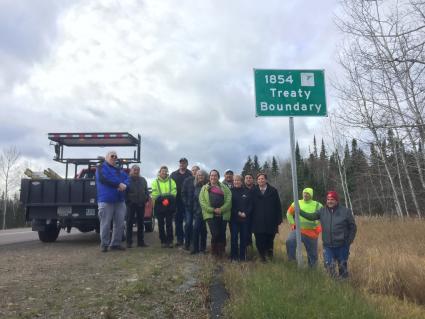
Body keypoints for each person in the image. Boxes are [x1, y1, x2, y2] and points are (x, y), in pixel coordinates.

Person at [299, 191, 357, 278]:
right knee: (329, 266)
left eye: (332, 199)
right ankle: (333, 285)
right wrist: (299, 211)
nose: (330, 201)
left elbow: (353, 227)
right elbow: (311, 216)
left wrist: (349, 241)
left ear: (336, 200)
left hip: (342, 246)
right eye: (328, 199)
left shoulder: (345, 211)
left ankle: (343, 286)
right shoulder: (322, 211)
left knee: (342, 268)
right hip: (328, 246)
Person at [96, 151, 129, 252]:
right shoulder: (101, 167)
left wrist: (125, 185)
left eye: (116, 156)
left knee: (120, 223)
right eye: (112, 156)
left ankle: (115, 244)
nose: (114, 157)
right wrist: (119, 184)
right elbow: (104, 179)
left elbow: (127, 179)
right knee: (105, 223)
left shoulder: (120, 170)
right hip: (106, 200)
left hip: (120, 200)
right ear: (106, 158)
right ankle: (104, 244)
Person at [285, 187, 322, 267]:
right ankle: (292, 262)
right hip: (298, 230)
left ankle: (313, 271)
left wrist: (320, 227)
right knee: (289, 241)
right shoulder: (296, 203)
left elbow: (324, 216)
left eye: (307, 193)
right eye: (304, 193)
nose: (305, 195)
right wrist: (292, 224)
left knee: (313, 254)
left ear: (311, 195)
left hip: (312, 233)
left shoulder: (317, 205)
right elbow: (289, 214)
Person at [199, 169, 231, 258]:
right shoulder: (204, 188)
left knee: (222, 233)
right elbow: (202, 202)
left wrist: (221, 209)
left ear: (218, 177)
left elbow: (229, 199)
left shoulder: (225, 188)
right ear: (209, 177)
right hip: (210, 215)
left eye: (215, 175)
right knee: (215, 233)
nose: (213, 177)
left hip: (223, 214)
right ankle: (214, 252)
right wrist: (213, 210)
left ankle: (221, 251)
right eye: (211, 175)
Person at [251, 173, 282, 262]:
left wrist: (279, 219)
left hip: (271, 221)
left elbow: (278, 205)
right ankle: (262, 257)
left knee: (269, 240)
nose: (261, 180)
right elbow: (250, 205)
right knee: (259, 240)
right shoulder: (253, 191)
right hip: (258, 221)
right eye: (259, 179)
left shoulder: (273, 191)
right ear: (257, 181)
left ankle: (270, 256)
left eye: (262, 179)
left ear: (266, 180)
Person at [152, 166, 177, 248]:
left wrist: (167, 200)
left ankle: (170, 241)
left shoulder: (171, 181)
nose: (164, 173)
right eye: (162, 171)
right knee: (160, 224)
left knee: (169, 224)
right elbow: (154, 194)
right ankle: (163, 241)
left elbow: (174, 192)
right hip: (159, 205)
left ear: (167, 172)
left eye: (165, 171)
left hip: (169, 205)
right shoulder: (155, 182)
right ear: (160, 172)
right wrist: (164, 200)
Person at [125, 165, 149, 248]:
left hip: (141, 204)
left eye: (138, 170)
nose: (136, 171)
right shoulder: (127, 180)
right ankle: (129, 242)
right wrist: (128, 201)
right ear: (131, 171)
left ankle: (140, 242)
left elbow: (146, 191)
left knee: (141, 223)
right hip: (131, 205)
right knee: (129, 223)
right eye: (135, 170)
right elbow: (125, 193)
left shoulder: (143, 180)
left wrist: (146, 199)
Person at [170, 158, 192, 247]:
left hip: (187, 201)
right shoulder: (173, 174)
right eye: (181, 163)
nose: (182, 164)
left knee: (188, 222)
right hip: (177, 201)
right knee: (178, 221)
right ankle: (179, 240)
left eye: (184, 163)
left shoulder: (190, 174)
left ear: (187, 164)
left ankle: (188, 239)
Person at [230, 175, 252, 261]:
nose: (236, 182)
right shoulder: (230, 192)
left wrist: (246, 213)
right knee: (234, 238)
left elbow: (251, 205)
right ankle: (234, 257)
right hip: (234, 219)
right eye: (235, 180)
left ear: (241, 181)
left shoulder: (247, 191)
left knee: (244, 238)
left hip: (245, 219)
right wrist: (238, 213)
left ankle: (242, 257)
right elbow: (230, 205)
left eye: (238, 180)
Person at [181, 165, 200, 250]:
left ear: (199, 171)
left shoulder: (202, 181)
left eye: (196, 170)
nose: (194, 172)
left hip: (199, 208)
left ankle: (194, 243)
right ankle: (187, 243)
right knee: (188, 224)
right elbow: (183, 193)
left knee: (197, 226)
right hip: (189, 207)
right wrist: (186, 203)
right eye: (193, 170)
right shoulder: (187, 180)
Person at [191, 169, 208, 254]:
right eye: (198, 175)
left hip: (207, 211)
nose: (200, 176)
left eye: (202, 175)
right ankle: (196, 248)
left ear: (205, 176)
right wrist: (195, 209)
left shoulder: (208, 185)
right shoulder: (195, 186)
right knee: (196, 229)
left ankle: (202, 248)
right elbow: (194, 199)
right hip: (198, 211)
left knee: (203, 230)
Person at [244, 173, 255, 248]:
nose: (248, 179)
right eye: (246, 178)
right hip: (246, 215)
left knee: (258, 234)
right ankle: (249, 250)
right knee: (247, 234)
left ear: (253, 180)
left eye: (250, 177)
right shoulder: (242, 189)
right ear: (244, 180)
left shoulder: (257, 188)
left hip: (256, 215)